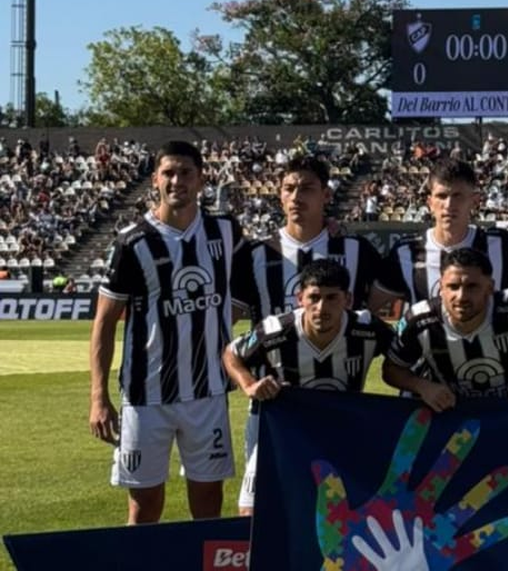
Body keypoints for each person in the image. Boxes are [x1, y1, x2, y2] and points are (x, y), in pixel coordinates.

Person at [89, 140, 245, 524]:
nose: (177, 181)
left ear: (201, 179)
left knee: (209, 504)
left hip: (207, 393)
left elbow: (262, 269)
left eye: (186, 173)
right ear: (155, 180)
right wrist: (98, 396)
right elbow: (105, 322)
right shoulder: (132, 242)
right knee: (144, 505)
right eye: (169, 173)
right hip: (147, 397)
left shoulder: (225, 231)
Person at [223, 259, 396, 515]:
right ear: (299, 298)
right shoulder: (275, 331)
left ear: (348, 299)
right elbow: (231, 353)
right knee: (254, 513)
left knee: (345, 510)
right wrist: (249, 385)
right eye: (314, 298)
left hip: (340, 430)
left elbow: (402, 359)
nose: (321, 307)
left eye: (331, 298)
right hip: (276, 429)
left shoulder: (367, 329)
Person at [382, 248, 508, 410]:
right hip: (447, 418)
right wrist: (422, 386)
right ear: (441, 287)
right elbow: (391, 370)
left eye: (472, 286)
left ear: (490, 287)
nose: (461, 296)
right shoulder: (420, 320)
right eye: (453, 286)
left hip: (507, 416)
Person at [371, 159, 508, 315]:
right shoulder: (405, 251)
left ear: (474, 201)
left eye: (458, 196)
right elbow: (372, 307)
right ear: (430, 203)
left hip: (488, 352)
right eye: (441, 196)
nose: (449, 205)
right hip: (428, 352)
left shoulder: (501, 243)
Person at [232, 155, 385, 325]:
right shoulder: (255, 254)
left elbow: (385, 299)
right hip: (276, 352)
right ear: (280, 195)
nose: (296, 197)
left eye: (306, 189)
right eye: (289, 188)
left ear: (326, 195)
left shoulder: (358, 250)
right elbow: (226, 316)